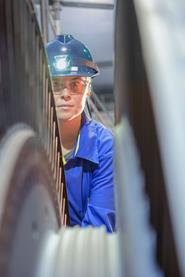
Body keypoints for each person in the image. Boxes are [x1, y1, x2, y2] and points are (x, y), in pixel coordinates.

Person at [46, 34, 115, 232]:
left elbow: (97, 231)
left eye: (75, 84)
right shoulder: (31, 142)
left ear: (88, 90)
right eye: (57, 84)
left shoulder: (105, 148)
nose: (65, 93)